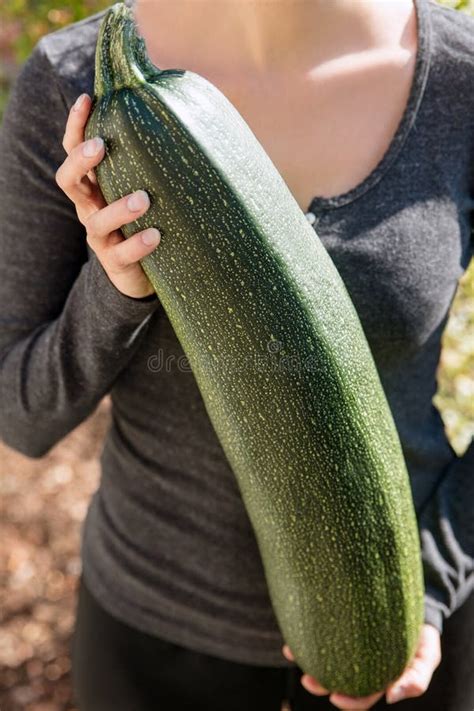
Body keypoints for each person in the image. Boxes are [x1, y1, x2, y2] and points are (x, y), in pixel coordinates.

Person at [0, 0, 473, 708]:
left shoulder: (459, 82)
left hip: (407, 637)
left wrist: (432, 576)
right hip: (156, 650)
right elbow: (19, 413)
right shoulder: (74, 87)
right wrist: (117, 283)